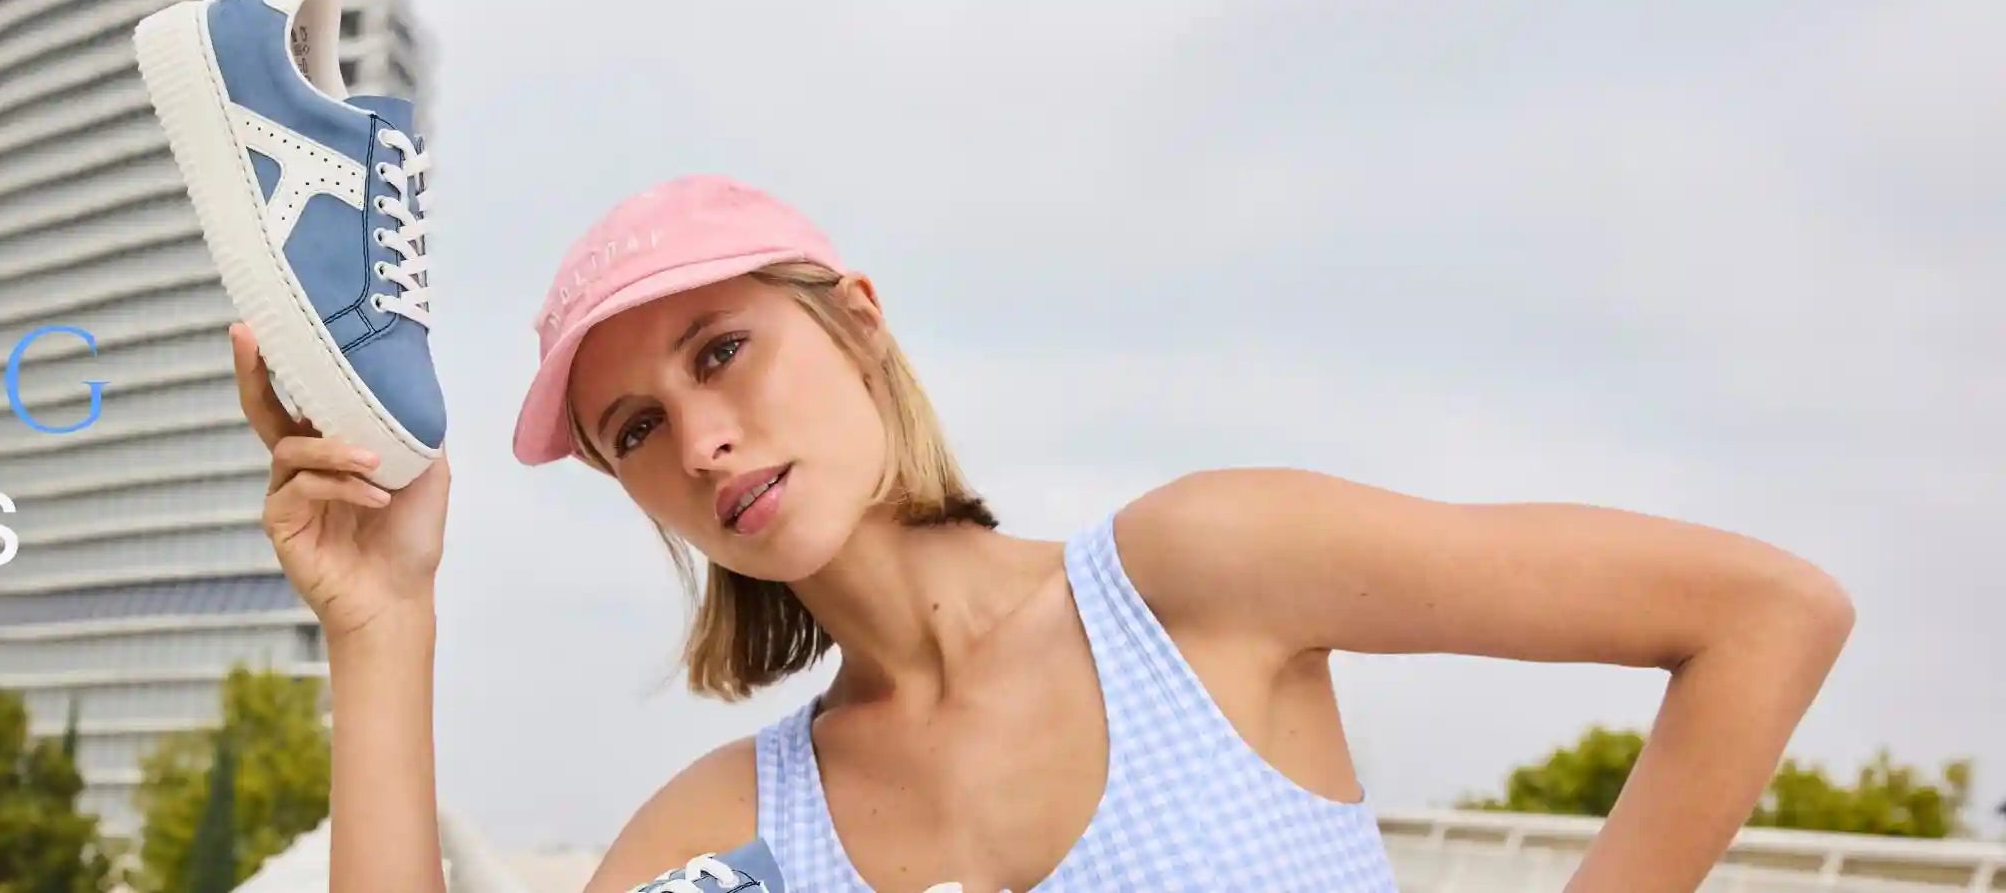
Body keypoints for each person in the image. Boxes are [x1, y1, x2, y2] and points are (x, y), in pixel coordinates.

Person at [228, 175, 1854, 892]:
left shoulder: (1195, 580)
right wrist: (382, 624)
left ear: (855, 321)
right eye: (635, 429)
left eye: (722, 349)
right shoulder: (730, 830)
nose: (702, 435)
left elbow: (1766, 613)